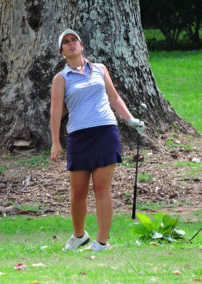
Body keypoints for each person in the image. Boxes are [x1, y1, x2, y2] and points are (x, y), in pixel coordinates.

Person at [50, 29, 145, 252]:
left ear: (82, 46)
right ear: (62, 51)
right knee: (78, 191)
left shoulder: (100, 70)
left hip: (105, 132)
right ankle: (79, 235)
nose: (71, 44)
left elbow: (114, 97)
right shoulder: (60, 78)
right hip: (79, 136)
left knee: (102, 189)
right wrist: (56, 142)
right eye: (66, 42)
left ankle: (101, 242)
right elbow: (55, 112)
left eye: (74, 40)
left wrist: (131, 120)